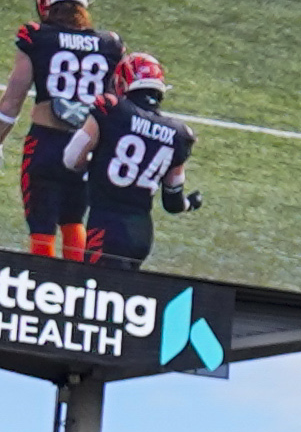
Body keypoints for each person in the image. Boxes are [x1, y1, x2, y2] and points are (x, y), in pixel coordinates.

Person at [0, 0, 125, 258]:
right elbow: (116, 104)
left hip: (46, 144)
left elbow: (12, 99)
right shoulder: (109, 44)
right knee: (74, 222)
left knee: (42, 228)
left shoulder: (37, 37)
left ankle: (44, 293)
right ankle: (77, 291)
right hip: (86, 148)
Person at [64, 47, 200, 269]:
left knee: (98, 294)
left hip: (108, 226)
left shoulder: (113, 109)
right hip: (142, 233)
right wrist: (190, 204)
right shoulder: (179, 134)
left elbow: (71, 159)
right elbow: (173, 202)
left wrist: (95, 164)